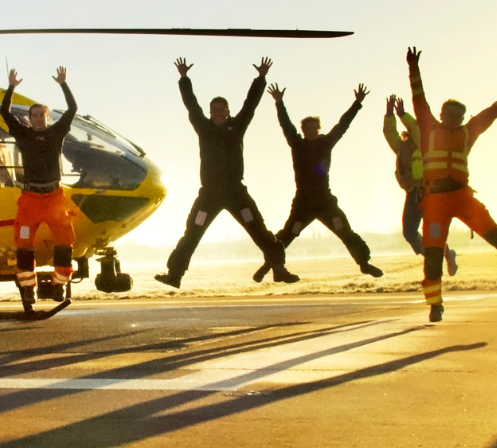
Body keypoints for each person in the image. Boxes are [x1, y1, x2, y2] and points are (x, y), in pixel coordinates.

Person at [406, 47, 497, 322]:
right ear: (442, 114)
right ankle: (435, 305)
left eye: (459, 115)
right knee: (433, 256)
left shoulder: (469, 132)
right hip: (434, 202)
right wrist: (413, 68)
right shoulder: (429, 128)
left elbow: (493, 112)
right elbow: (418, 98)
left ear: (463, 117)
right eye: (450, 114)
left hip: (462, 198)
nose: (454, 119)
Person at [156, 56, 297, 287]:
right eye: (214, 110)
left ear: (228, 112)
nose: (218, 112)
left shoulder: (237, 127)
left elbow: (250, 105)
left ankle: (279, 268)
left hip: (235, 192)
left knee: (259, 230)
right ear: (210, 113)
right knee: (193, 232)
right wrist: (184, 79)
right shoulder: (203, 128)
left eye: (222, 109)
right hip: (209, 194)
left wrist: (260, 78)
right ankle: (175, 275)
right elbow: (191, 105)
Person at [253, 82, 382, 281]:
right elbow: (286, 126)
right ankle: (270, 266)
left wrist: (357, 103)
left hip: (325, 202)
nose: (311, 131)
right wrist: (279, 103)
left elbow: (342, 125)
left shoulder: (325, 143)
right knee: (287, 235)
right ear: (303, 130)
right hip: (303, 203)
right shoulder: (297, 144)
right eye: (308, 128)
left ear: (318, 129)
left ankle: (364, 263)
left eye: (314, 128)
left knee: (344, 231)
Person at [2, 66, 78, 312]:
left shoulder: (57, 133)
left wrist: (63, 84)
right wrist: (11, 87)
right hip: (30, 199)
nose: (37, 118)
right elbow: (4, 111)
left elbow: (72, 110)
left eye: (41, 115)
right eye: (34, 115)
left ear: (46, 117)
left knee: (65, 241)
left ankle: (59, 285)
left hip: (54, 197)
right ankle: (27, 289)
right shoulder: (22, 134)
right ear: (29, 118)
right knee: (23, 244)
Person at [383, 95, 456, 275]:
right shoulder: (402, 148)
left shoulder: (423, 144)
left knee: (432, 231)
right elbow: (389, 134)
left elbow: (416, 128)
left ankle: (443, 254)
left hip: (430, 191)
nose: (407, 136)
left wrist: (402, 115)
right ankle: (440, 255)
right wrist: (389, 113)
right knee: (409, 233)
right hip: (412, 192)